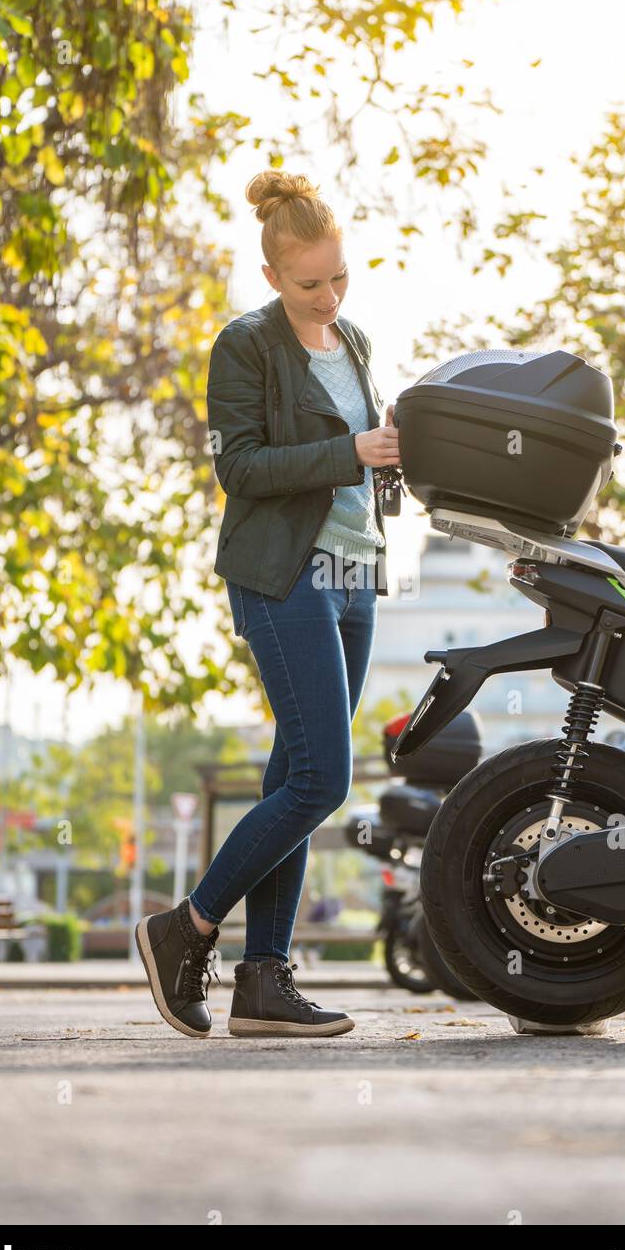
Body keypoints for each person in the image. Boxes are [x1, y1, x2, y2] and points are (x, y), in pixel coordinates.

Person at [135, 169, 401, 1039]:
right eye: (309, 283)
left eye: (339, 277)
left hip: (354, 576)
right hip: (282, 574)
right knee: (326, 776)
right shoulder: (244, 346)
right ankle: (186, 926)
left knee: (295, 775)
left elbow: (359, 458)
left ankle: (263, 980)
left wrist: (392, 453)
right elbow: (239, 468)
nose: (328, 296)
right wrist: (350, 451)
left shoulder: (353, 340)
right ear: (273, 278)